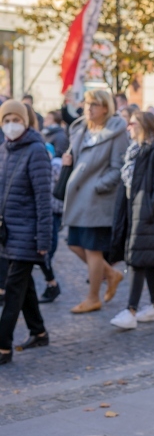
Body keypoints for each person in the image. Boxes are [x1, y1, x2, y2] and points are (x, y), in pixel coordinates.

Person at [63, 90, 129, 313]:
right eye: (87, 103)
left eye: (94, 104)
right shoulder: (81, 129)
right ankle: (111, 273)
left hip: (96, 199)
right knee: (74, 243)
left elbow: (117, 168)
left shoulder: (115, 131)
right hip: (79, 198)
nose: (88, 108)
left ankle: (93, 297)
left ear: (105, 107)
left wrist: (97, 186)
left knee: (92, 250)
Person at [0, 100, 52, 366]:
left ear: (25, 120)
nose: (11, 124)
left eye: (15, 119)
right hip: (8, 233)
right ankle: (39, 331)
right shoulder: (4, 150)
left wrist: (44, 239)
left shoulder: (36, 151)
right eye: (6, 119)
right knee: (24, 286)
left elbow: (44, 199)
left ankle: (3, 347)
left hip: (28, 235)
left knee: (12, 289)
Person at [109, 112, 154, 329]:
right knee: (147, 261)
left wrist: (148, 213)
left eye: (132, 124)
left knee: (137, 260)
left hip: (146, 215)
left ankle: (131, 310)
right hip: (135, 211)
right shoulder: (137, 151)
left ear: (144, 126)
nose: (128, 128)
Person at [38, 143, 63, 303]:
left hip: (51, 211)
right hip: (49, 210)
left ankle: (52, 284)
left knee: (44, 252)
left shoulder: (54, 165)